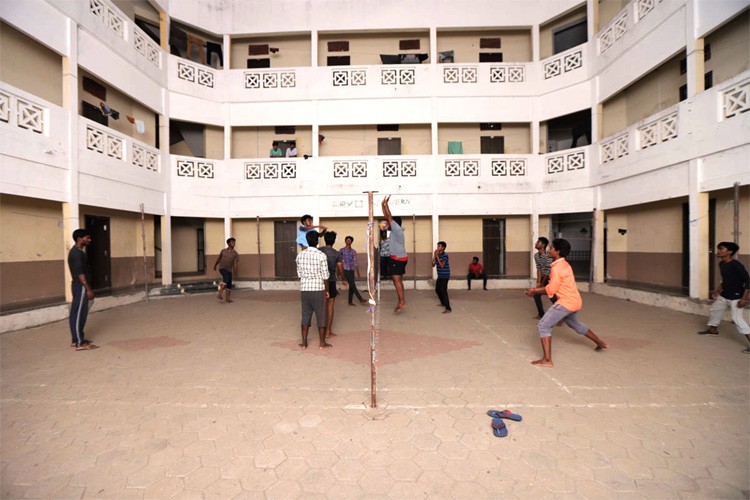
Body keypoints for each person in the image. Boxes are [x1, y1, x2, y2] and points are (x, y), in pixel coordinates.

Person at [524, 238, 608, 367]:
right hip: (575, 301)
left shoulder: (557, 268)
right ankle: (600, 343)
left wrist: (534, 291)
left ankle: (547, 360)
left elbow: (551, 289)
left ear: (557, 252)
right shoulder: (565, 264)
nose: (549, 250)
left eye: (551, 248)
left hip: (566, 303)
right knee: (575, 324)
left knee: (543, 326)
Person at [697, 242, 750, 353]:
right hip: (724, 295)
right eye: (718, 249)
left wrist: (744, 299)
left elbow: (748, 281)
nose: (719, 251)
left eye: (721, 249)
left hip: (736, 297)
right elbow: (725, 280)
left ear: (729, 252)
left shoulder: (736, 265)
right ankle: (713, 330)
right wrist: (717, 291)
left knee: (737, 319)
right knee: (714, 310)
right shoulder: (722, 264)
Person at [295, 231, 332, 350]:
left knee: (305, 315)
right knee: (321, 316)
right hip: (318, 289)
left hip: (305, 290)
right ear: (317, 241)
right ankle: (322, 343)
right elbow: (325, 276)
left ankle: (304, 343)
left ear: (306, 240)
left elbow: (299, 274)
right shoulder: (321, 255)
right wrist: (327, 290)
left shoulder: (300, 255)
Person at [67, 229, 99, 351]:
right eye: (87, 238)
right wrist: (88, 289)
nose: (89, 240)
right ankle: (79, 343)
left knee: (78, 313)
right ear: (80, 239)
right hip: (80, 286)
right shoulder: (77, 253)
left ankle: (77, 339)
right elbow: (80, 273)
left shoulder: (78, 252)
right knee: (78, 314)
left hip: (79, 286)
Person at [382, 195, 407, 312]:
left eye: (390, 222)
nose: (388, 222)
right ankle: (401, 300)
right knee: (399, 281)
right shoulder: (396, 231)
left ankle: (402, 302)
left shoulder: (396, 229)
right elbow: (387, 217)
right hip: (401, 258)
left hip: (397, 259)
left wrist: (386, 205)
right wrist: (383, 205)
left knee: (396, 281)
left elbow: (389, 216)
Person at [319, 231, 344, 338]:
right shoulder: (337, 253)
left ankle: (320, 331)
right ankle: (328, 331)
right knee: (330, 306)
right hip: (331, 281)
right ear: (334, 241)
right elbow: (340, 268)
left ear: (325, 239)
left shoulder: (319, 251)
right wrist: (343, 278)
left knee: (319, 306)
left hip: (319, 282)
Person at [340, 236, 367, 306]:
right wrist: (339, 272)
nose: (348, 241)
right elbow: (339, 262)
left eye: (350, 240)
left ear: (351, 242)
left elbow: (355, 262)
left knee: (351, 286)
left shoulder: (353, 251)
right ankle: (360, 299)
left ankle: (350, 301)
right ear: (345, 241)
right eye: (347, 240)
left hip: (351, 270)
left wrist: (358, 272)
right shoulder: (341, 250)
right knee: (353, 285)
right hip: (345, 270)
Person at [531, 237, 553, 318]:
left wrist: (542, 284)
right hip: (543, 277)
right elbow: (539, 269)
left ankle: (562, 316)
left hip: (550, 278)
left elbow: (548, 271)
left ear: (543, 245)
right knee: (536, 295)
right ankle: (541, 314)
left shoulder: (548, 255)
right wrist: (538, 282)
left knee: (552, 297)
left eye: (538, 242)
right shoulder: (536, 255)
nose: (536, 243)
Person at [214, 237, 239, 303]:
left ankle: (227, 299)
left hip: (229, 270)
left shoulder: (235, 254)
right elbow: (219, 259)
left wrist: (235, 273)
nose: (233, 243)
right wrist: (215, 265)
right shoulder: (223, 251)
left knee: (229, 284)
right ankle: (219, 294)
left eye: (234, 242)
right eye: (232, 242)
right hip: (222, 268)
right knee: (226, 278)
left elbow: (235, 264)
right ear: (228, 243)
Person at [432, 241, 452, 313]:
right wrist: (434, 257)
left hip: (445, 275)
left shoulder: (445, 255)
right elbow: (433, 265)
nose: (437, 247)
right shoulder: (438, 255)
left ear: (443, 247)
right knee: (437, 290)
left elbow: (442, 265)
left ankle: (448, 308)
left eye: (439, 246)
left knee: (443, 290)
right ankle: (443, 303)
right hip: (440, 276)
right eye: (437, 246)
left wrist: (437, 256)